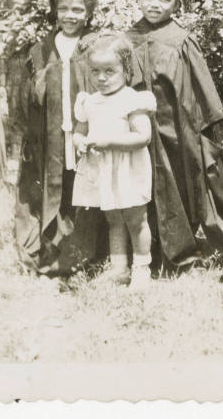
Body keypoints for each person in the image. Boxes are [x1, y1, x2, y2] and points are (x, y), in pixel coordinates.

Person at [125, 0, 223, 269]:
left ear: (176, 2)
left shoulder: (182, 40)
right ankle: (152, 256)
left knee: (185, 185)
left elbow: (202, 90)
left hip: (178, 130)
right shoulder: (127, 39)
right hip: (138, 132)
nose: (154, 3)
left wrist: (208, 132)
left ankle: (191, 253)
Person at [14, 0, 112, 276]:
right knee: (54, 189)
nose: (70, 15)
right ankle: (50, 253)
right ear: (55, 10)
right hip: (51, 138)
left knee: (85, 190)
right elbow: (24, 99)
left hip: (88, 136)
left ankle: (85, 256)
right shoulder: (40, 49)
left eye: (77, 9)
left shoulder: (97, 47)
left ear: (89, 11)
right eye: (64, 8)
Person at [72, 31, 157, 290]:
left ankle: (142, 269)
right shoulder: (89, 101)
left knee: (134, 218)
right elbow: (79, 129)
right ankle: (119, 269)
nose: (101, 78)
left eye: (110, 71)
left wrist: (109, 142)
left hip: (127, 169)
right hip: (103, 170)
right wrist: (79, 142)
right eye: (95, 71)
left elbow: (143, 137)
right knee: (113, 219)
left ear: (126, 69)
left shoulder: (132, 99)